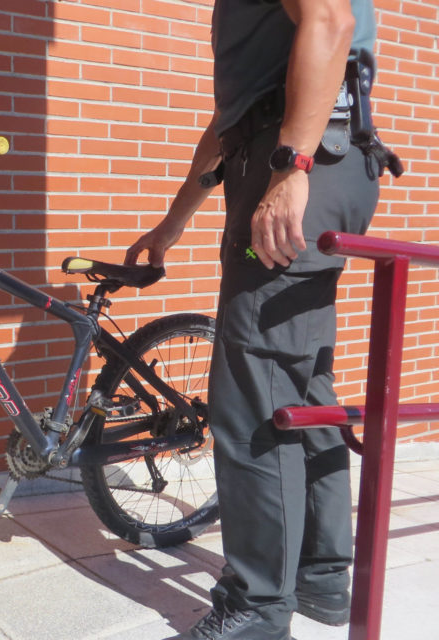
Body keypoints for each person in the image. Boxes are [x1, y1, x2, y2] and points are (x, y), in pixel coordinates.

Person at [124, 1, 398, 639]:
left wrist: (291, 168)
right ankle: (322, 575)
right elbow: (227, 126)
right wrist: (174, 221)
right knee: (299, 384)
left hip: (301, 157)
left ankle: (257, 607)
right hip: (309, 153)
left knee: (252, 396)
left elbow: (329, 20)